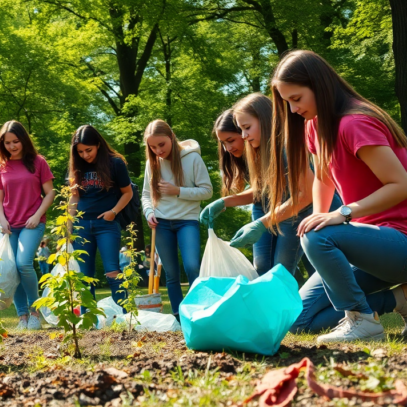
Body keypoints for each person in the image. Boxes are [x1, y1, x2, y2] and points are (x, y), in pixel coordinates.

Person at [269, 50, 407, 343]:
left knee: (317, 235)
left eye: (296, 98)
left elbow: (401, 184)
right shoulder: (314, 126)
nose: (293, 109)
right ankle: (401, 299)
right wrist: (320, 220)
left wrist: (340, 215)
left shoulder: (354, 122)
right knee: (299, 319)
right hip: (370, 247)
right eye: (287, 102)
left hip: (400, 241)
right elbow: (322, 177)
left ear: (319, 85)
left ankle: (362, 321)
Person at [201, 94, 315, 276]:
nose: (244, 136)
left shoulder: (288, 147)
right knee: (263, 268)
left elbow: (305, 195)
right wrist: (224, 201)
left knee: (283, 269)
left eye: (246, 129)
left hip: (298, 212)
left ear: (266, 120)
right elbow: (262, 190)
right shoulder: (258, 151)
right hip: (278, 210)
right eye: (223, 143)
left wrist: (261, 223)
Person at [141, 120, 212, 317]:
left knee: (192, 266)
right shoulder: (151, 163)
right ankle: (178, 316)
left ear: (171, 137)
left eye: (161, 144)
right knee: (171, 274)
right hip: (161, 223)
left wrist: (177, 191)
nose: (157, 150)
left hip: (187, 221)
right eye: (152, 147)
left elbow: (207, 191)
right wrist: (149, 212)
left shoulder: (193, 159)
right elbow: (146, 195)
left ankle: (197, 312)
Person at [0, 121, 55, 330]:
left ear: (24, 140)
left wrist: (37, 216)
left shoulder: (38, 162)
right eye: (7, 142)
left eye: (16, 141)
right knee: (13, 270)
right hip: (9, 225)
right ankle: (23, 317)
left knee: (23, 263)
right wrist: (2, 220)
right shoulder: (1, 167)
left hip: (32, 223)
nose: (12, 146)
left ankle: (35, 312)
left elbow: (50, 193)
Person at [68, 125, 133, 309]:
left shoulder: (115, 163)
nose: (85, 155)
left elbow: (127, 193)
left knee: (112, 270)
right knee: (84, 274)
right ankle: (88, 319)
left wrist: (113, 212)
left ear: (98, 144)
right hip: (82, 225)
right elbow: (74, 196)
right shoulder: (76, 165)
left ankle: (124, 314)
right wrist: (69, 225)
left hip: (107, 224)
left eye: (88, 150)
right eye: (80, 152)